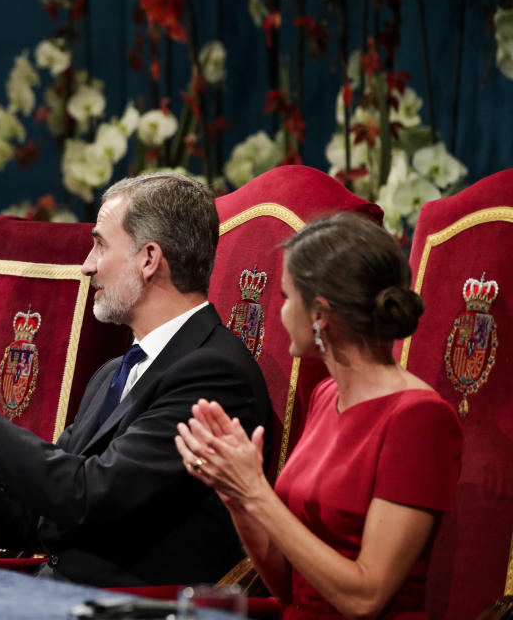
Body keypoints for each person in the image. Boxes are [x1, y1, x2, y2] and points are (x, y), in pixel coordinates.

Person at [0, 173, 272, 587]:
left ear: (149, 259)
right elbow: (32, 522)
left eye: (100, 245)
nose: (87, 265)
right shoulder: (114, 372)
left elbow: (88, 495)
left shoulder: (213, 373)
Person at [175, 212, 462, 618]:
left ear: (320, 315)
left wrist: (258, 491)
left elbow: (365, 598)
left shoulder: (421, 419)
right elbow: (290, 586)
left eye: (288, 297)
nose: (280, 312)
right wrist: (238, 496)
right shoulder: (327, 395)